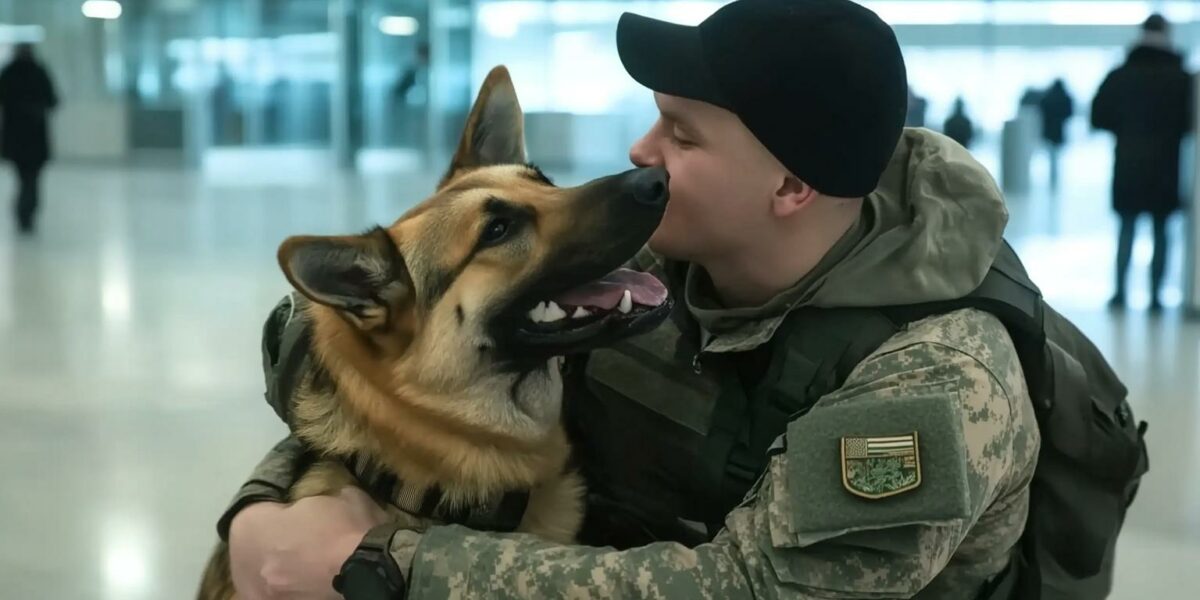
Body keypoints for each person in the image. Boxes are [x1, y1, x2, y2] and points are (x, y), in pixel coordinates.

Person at [223, 1, 1043, 598]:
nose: (640, 153)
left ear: (790, 186)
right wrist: (268, 511)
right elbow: (398, 379)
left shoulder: (938, 378)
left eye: (682, 137)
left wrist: (388, 561)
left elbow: (750, 590)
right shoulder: (658, 266)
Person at [1091, 14, 1193, 312]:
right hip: (1166, 167)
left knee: (1126, 228)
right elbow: (1191, 122)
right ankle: (1156, 296)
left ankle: (1120, 293)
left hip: (1128, 165)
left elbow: (1098, 116)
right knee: (1162, 232)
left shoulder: (1121, 74)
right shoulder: (1182, 77)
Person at [0, 43, 58, 234]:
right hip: (32, 138)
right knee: (30, 180)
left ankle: (24, 212)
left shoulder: (10, 73)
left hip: (19, 138)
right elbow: (53, 101)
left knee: (26, 179)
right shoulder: (37, 72)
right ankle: (26, 212)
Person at [1037, 79, 1073, 192]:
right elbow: (1069, 112)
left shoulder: (1048, 96)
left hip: (1049, 128)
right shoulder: (1064, 96)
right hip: (1059, 129)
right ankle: (1054, 175)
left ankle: (1053, 174)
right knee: (1056, 153)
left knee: (1052, 153)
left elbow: (1041, 108)